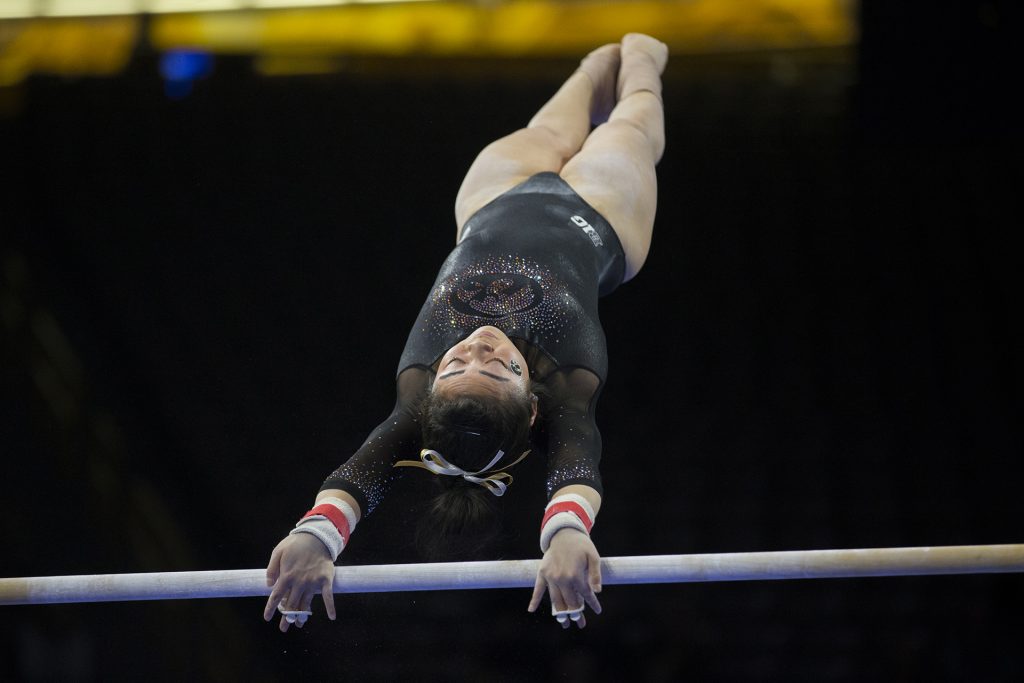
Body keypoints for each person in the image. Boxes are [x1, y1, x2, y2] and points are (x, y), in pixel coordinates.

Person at [263, 33, 667, 632]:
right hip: (601, 218)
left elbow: (361, 471)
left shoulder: (413, 392)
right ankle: (643, 56)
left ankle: (595, 62)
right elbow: (576, 461)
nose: (478, 346)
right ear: (533, 404)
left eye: (455, 366)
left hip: (490, 200)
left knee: (565, 110)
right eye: (500, 366)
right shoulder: (569, 382)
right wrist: (565, 533)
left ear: (432, 387)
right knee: (632, 118)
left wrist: (315, 536)